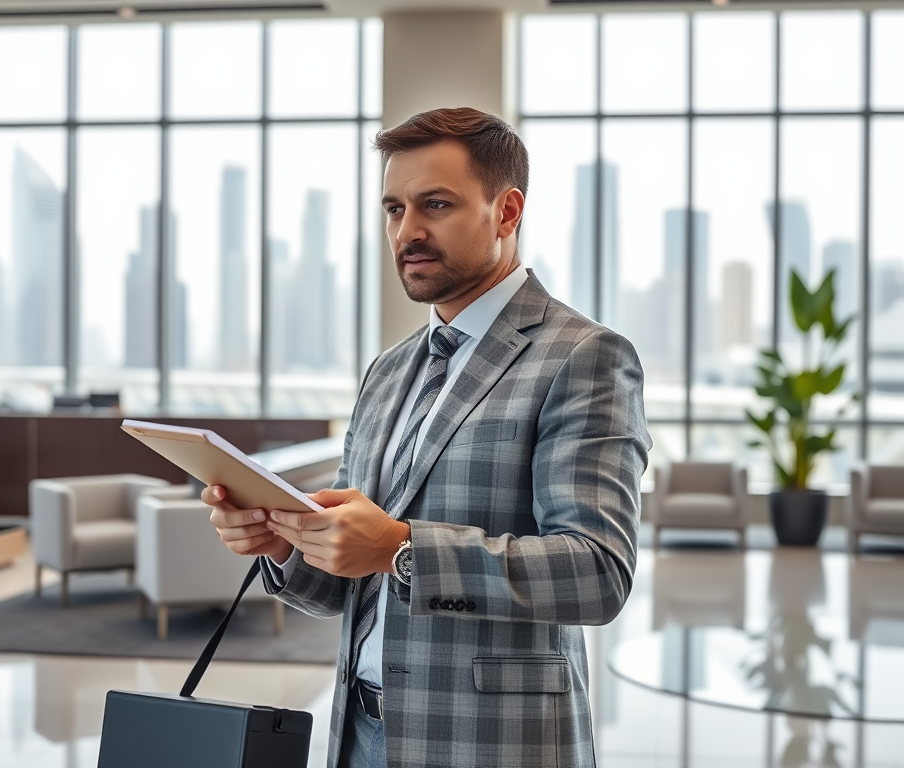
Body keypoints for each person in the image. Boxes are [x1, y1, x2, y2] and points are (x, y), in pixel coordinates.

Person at [205, 107, 651, 768]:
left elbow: (596, 572)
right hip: (358, 736)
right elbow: (339, 587)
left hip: (496, 746)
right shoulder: (388, 371)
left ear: (506, 212)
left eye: (434, 205)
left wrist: (401, 548)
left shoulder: (583, 357)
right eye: (392, 209)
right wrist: (287, 543)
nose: (406, 231)